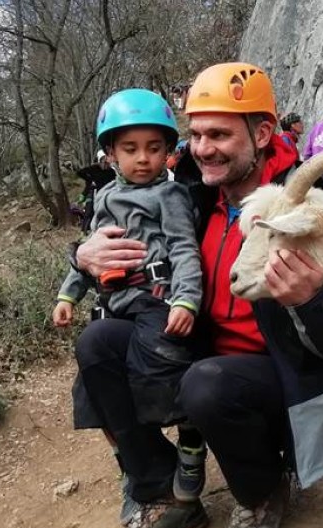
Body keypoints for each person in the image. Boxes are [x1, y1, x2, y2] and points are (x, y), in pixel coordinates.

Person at [72, 61, 323, 528]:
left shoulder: (311, 206)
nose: (203, 148)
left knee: (209, 382)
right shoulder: (194, 195)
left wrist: (310, 298)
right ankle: (165, 496)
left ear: (263, 133)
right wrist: (83, 256)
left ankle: (262, 488)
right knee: (99, 343)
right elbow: (118, 232)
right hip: (203, 359)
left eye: (220, 134)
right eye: (197, 134)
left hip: (278, 381)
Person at [54, 89, 208, 506]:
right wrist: (68, 294)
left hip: (156, 300)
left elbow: (183, 249)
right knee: (95, 389)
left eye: (154, 148)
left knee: (160, 375)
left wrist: (185, 300)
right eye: (131, 148)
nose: (143, 158)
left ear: (168, 152)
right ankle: (135, 464)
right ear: (110, 153)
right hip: (114, 306)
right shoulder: (102, 197)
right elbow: (91, 251)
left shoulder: (170, 195)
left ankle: (192, 439)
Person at [74, 150, 118, 232]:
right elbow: (80, 173)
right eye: (103, 161)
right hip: (93, 193)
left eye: (107, 161)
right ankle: (84, 231)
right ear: (100, 161)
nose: (105, 163)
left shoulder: (111, 172)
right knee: (89, 212)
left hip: (106, 195)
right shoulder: (94, 169)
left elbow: (116, 181)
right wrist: (90, 180)